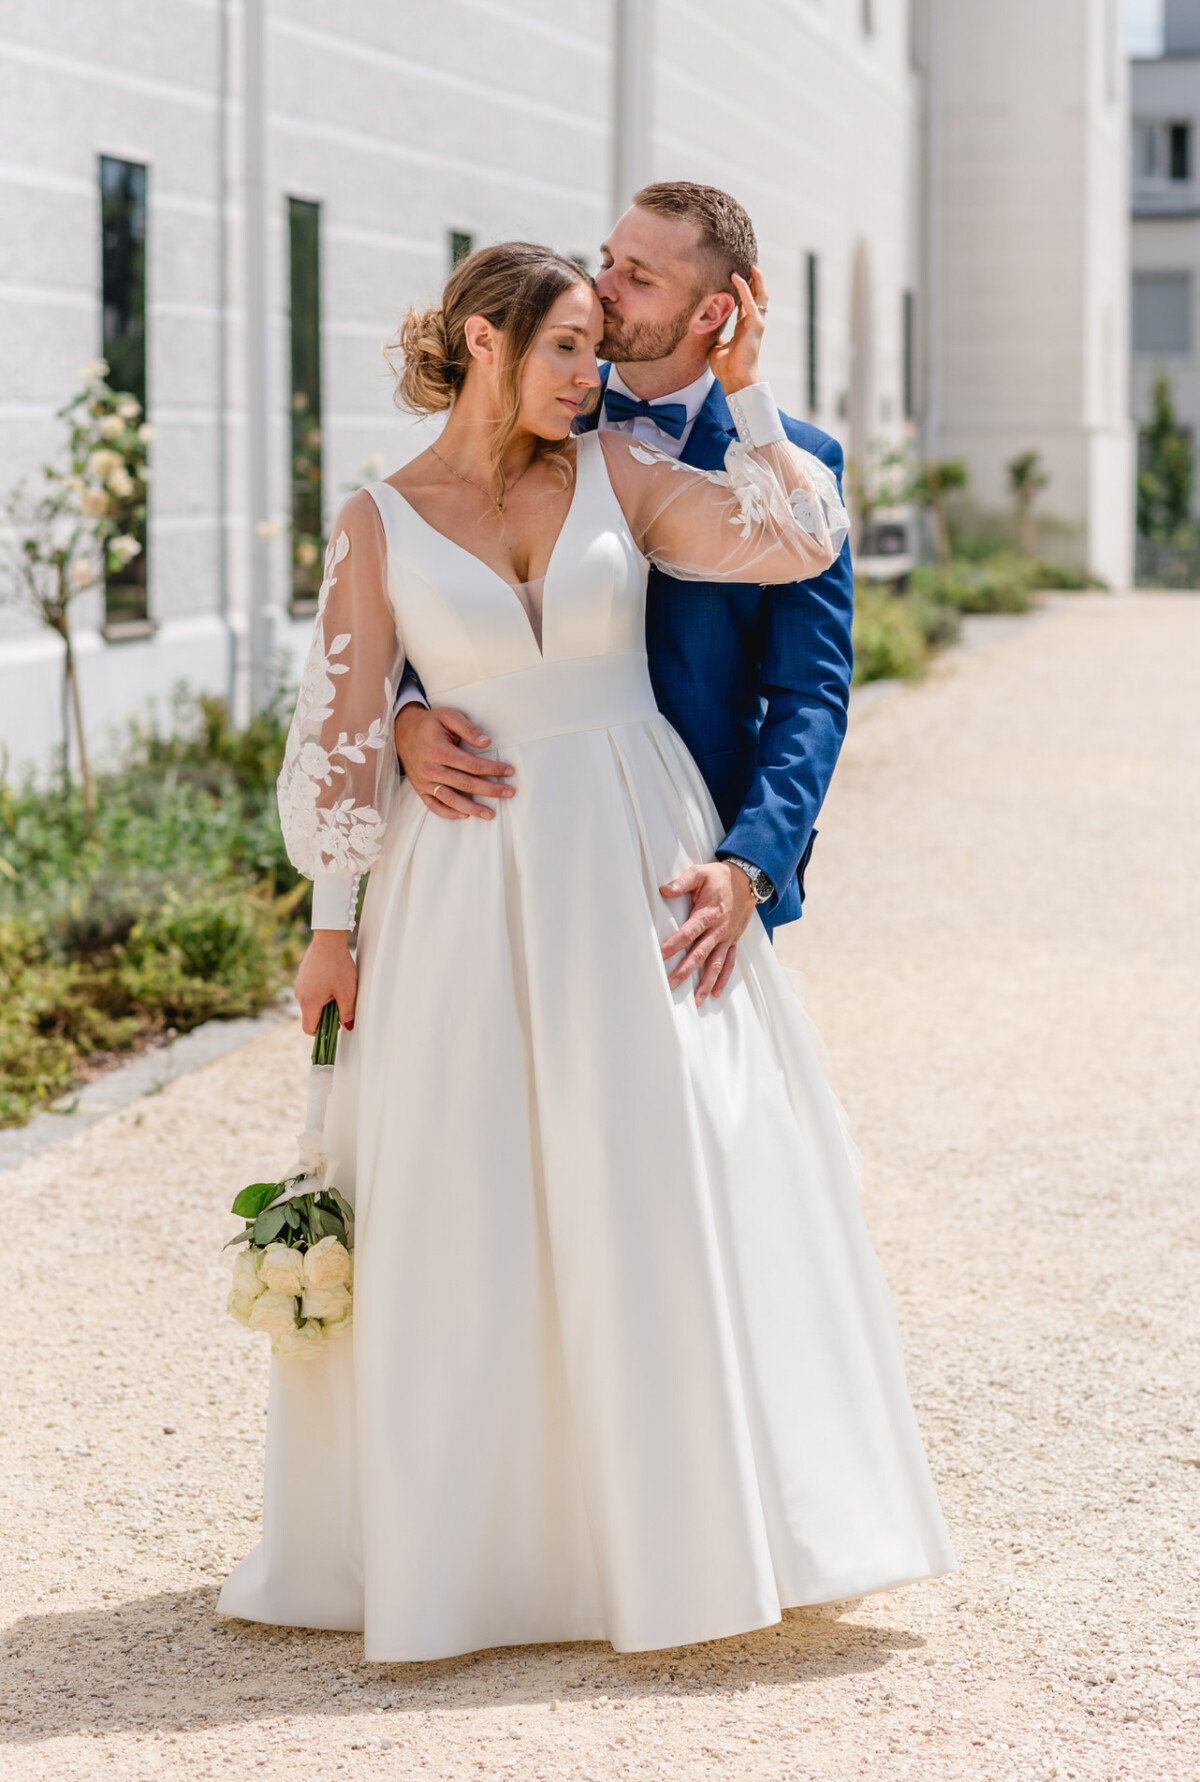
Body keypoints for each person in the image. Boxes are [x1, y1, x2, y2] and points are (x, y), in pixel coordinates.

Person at [218, 238, 954, 1662]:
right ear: (485, 346)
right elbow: (342, 733)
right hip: (463, 883)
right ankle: (489, 1548)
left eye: (594, 346)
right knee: (471, 1186)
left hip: (632, 853)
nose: (590, 370)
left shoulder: (619, 471)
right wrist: (329, 923)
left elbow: (802, 541)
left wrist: (744, 397)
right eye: (565, 346)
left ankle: (682, 1527)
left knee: (661, 1165)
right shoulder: (377, 520)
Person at [394, 183, 853, 1001]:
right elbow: (425, 571)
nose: (601, 285)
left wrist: (750, 865)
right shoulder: (530, 411)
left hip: (692, 858)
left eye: (638, 275)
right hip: (513, 832)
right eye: (607, 258)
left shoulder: (795, 464)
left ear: (715, 312)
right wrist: (408, 715)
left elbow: (810, 692)